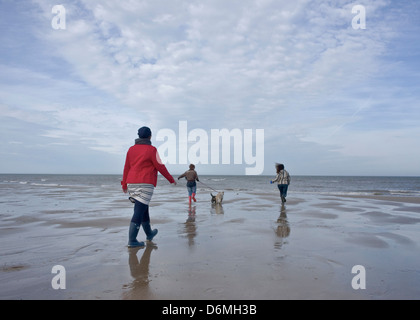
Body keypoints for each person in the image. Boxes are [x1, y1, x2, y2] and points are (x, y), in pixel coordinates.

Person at [121, 126, 176, 248]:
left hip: (131, 182)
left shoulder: (131, 149)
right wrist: (171, 179)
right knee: (139, 210)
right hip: (145, 183)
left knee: (143, 208)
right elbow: (160, 166)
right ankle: (132, 240)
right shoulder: (151, 150)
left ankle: (149, 234)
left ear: (139, 136)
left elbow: (126, 167)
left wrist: (124, 183)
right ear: (150, 136)